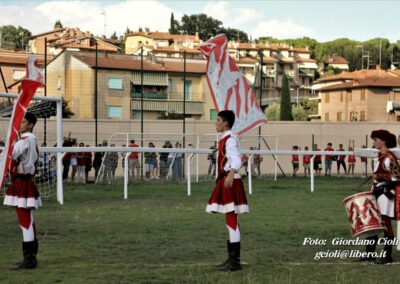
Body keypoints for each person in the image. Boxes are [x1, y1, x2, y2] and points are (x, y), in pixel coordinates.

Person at [206, 110, 248, 272]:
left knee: (231, 221)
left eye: (217, 120)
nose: (215, 123)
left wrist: (231, 173)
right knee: (230, 221)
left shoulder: (229, 139)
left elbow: (236, 159)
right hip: (227, 180)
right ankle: (232, 260)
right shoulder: (226, 138)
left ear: (225, 123)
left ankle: (234, 262)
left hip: (230, 182)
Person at [3, 112, 41, 269]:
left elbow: (11, 154)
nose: (20, 124)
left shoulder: (24, 140)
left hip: (22, 183)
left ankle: (29, 259)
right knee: (29, 220)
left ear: (31, 125)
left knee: (25, 221)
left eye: (24, 122)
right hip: (26, 182)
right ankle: (31, 256)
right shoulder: (31, 141)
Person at [358, 130, 400, 264]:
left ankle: (387, 255)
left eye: (376, 139)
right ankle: (369, 253)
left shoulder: (389, 157)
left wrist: (380, 178)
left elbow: (397, 177)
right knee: (373, 222)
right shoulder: (380, 156)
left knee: (385, 223)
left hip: (385, 194)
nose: (374, 142)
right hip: (376, 191)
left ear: (384, 141)